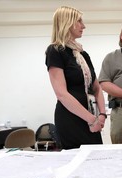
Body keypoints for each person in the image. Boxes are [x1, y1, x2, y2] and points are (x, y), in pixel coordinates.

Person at [45, 6, 106, 149]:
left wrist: (102, 114)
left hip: (91, 117)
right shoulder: (55, 51)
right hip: (71, 118)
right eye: (79, 21)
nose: (83, 26)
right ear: (67, 22)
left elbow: (96, 88)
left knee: (97, 158)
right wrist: (91, 120)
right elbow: (61, 94)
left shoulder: (82, 54)